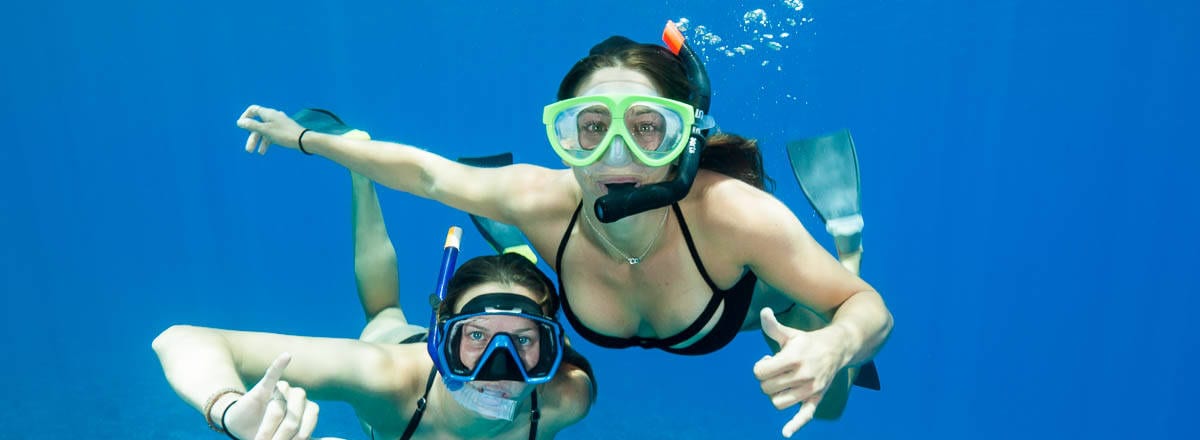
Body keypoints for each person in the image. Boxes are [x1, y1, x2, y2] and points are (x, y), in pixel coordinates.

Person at [234, 21, 890, 437]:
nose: (615, 158)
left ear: (682, 140)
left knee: (830, 395)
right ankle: (522, 249)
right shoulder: (540, 194)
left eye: (646, 128)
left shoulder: (732, 215)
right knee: (520, 223)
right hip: (586, 262)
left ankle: (845, 245)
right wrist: (306, 139)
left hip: (742, 311)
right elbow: (425, 174)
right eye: (590, 128)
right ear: (564, 137)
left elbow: (869, 311)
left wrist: (833, 345)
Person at [153, 118, 595, 439]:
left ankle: (519, 261)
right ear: (441, 337)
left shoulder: (565, 399)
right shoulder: (386, 380)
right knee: (382, 314)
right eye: (476, 336)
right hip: (394, 341)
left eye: (523, 342)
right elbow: (180, 339)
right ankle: (360, 176)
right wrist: (229, 410)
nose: (499, 368)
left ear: (549, 350)